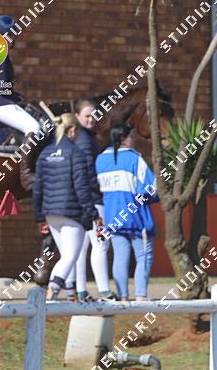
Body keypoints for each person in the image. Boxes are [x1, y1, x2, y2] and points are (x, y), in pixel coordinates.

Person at [33, 113, 99, 301]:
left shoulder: (45, 153)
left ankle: (71, 297)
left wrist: (39, 217)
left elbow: (38, 188)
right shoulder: (76, 153)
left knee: (65, 257)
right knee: (70, 257)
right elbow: (82, 187)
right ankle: (51, 294)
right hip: (71, 213)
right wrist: (93, 213)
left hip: (50, 214)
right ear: (73, 130)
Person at [0, 15, 46, 187]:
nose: (14, 38)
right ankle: (26, 174)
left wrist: (17, 97)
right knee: (34, 127)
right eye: (12, 35)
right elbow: (0, 86)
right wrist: (16, 98)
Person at [96, 124, 158, 301]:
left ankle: (123, 297)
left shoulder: (100, 160)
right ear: (124, 139)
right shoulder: (134, 159)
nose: (134, 139)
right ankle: (140, 296)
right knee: (143, 256)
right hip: (137, 218)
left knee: (119, 257)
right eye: (132, 136)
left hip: (112, 218)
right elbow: (151, 189)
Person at [72, 98, 115, 301]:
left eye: (94, 115)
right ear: (77, 116)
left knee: (81, 247)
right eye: (87, 116)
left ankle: (81, 290)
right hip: (93, 200)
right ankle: (104, 290)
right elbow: (88, 173)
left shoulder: (82, 138)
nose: (91, 119)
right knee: (101, 244)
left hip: (82, 199)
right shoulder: (85, 141)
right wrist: (98, 190)